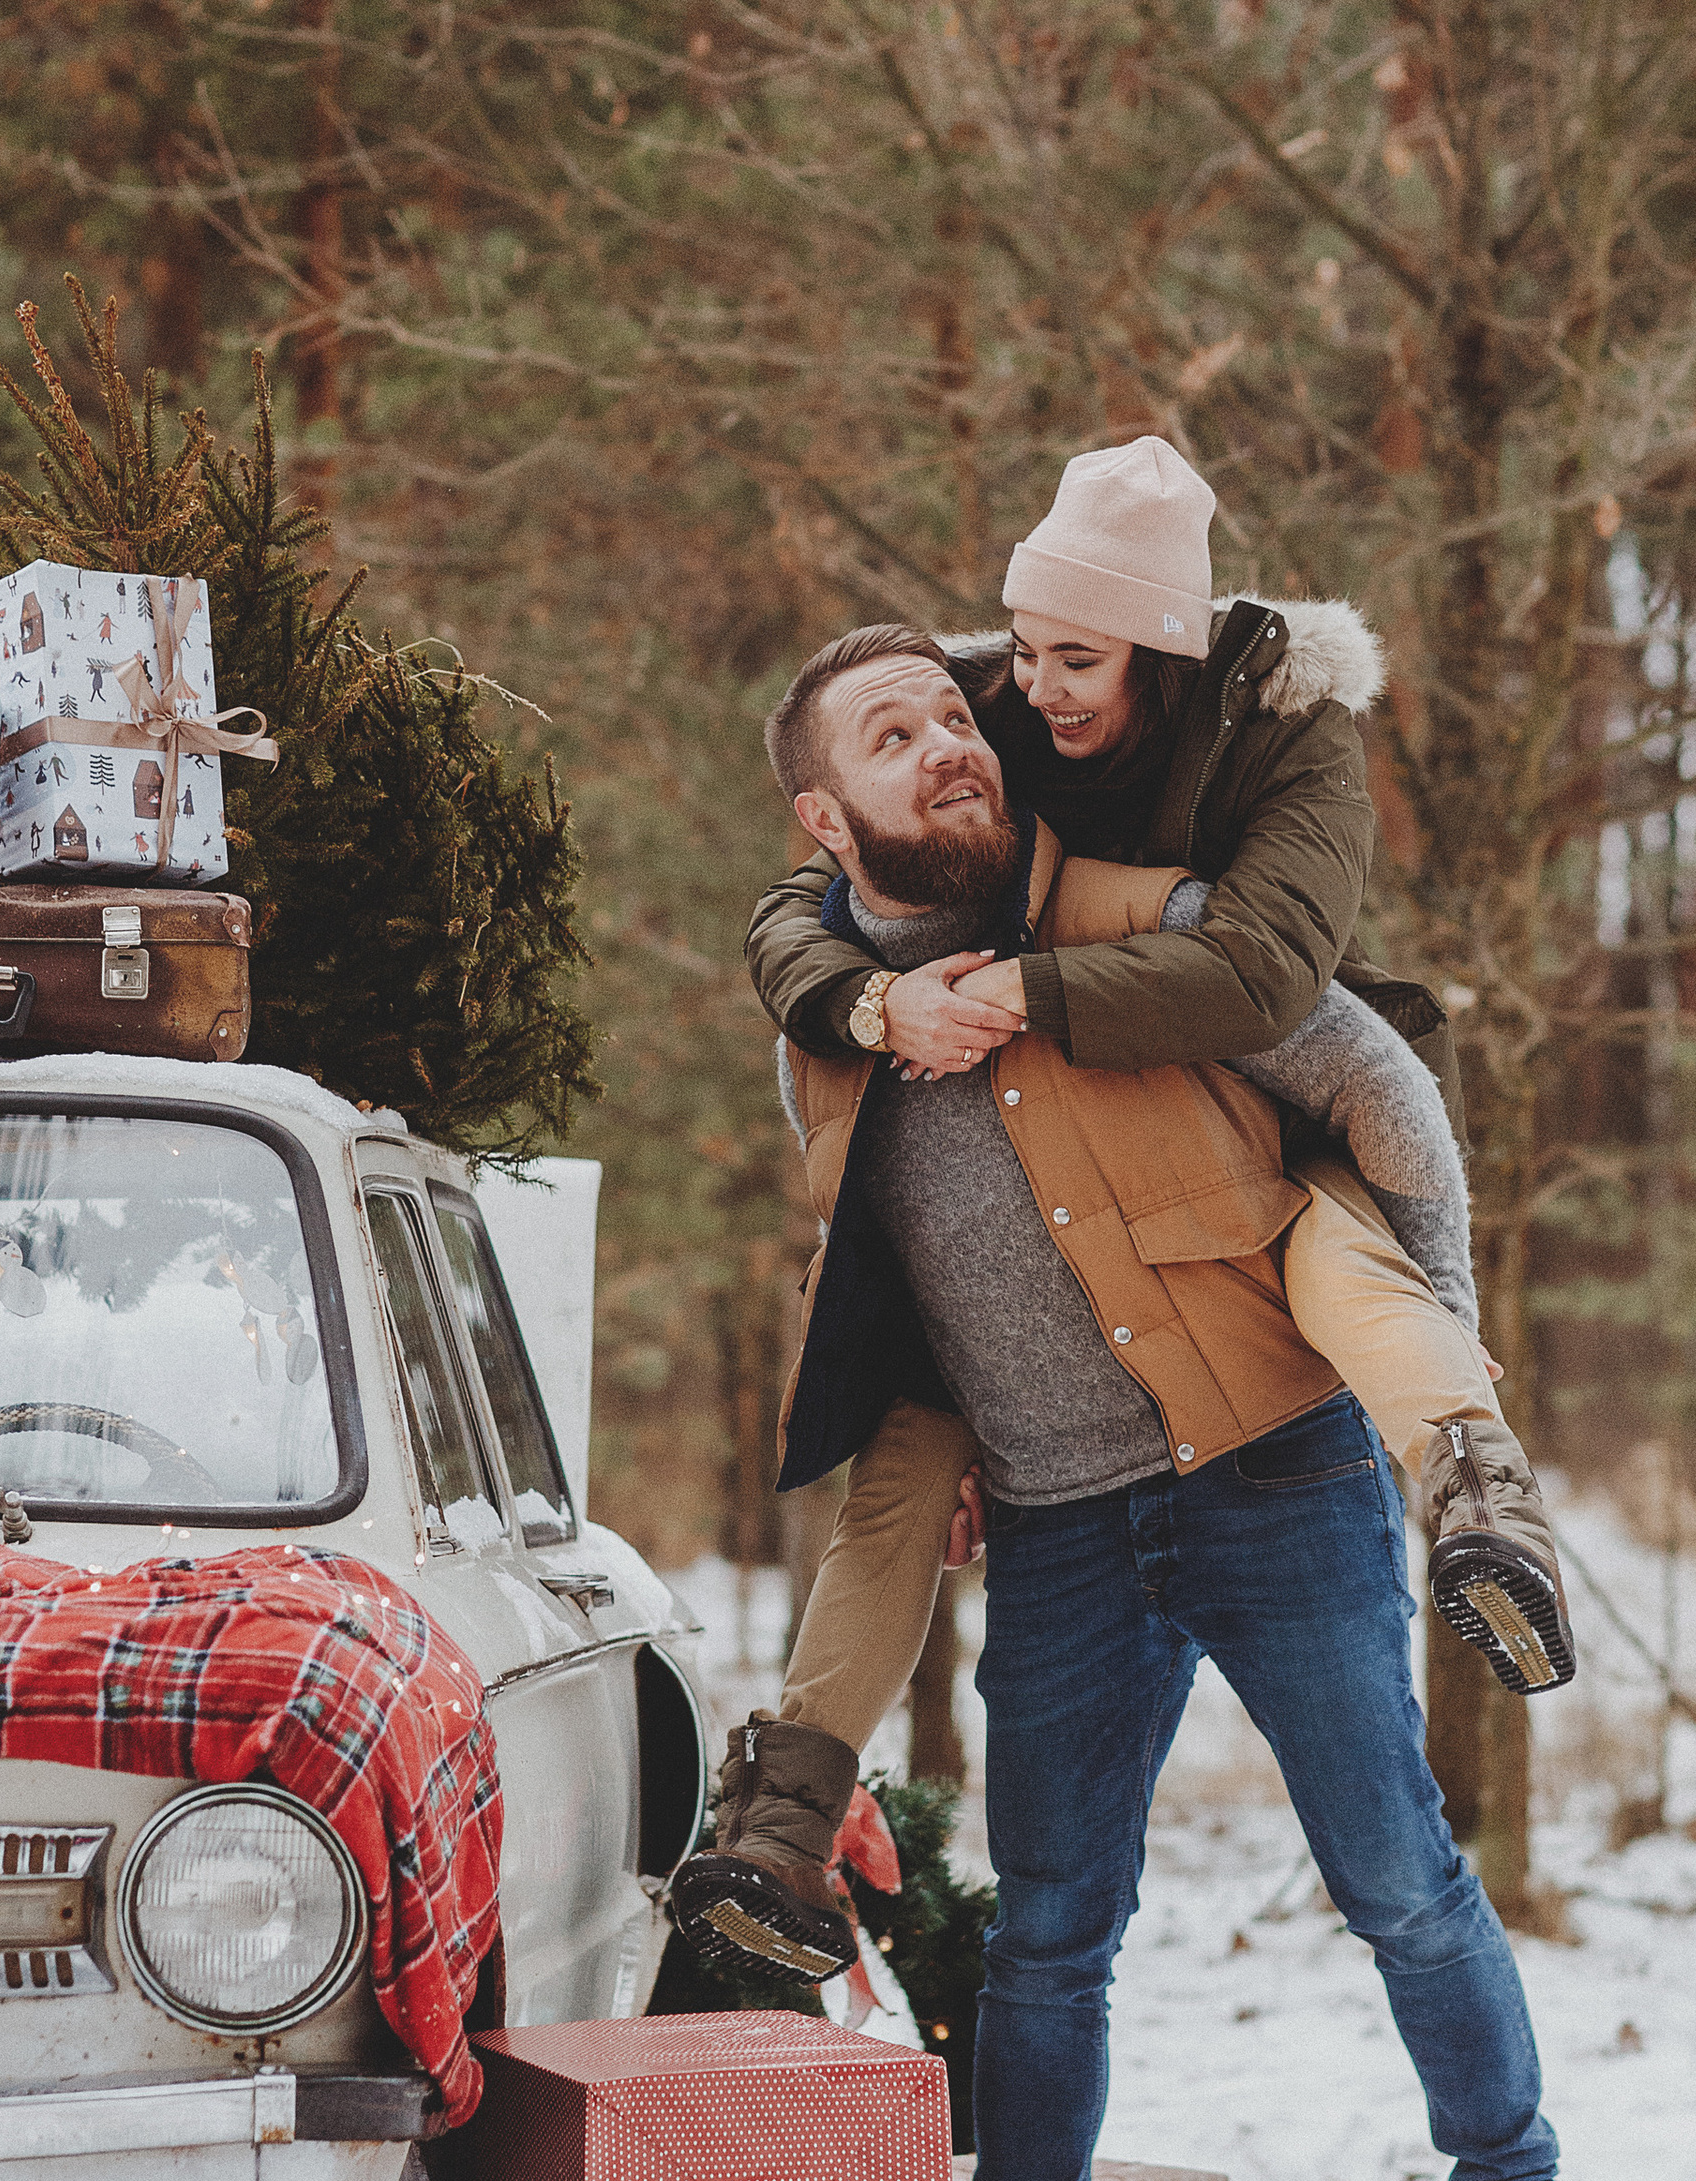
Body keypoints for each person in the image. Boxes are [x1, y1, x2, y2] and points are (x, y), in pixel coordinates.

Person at [697, 614, 1584, 2181]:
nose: (950, 739)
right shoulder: (831, 1033)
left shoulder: (1136, 914)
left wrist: (1436, 1329)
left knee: (1400, 1885)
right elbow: (875, 1266)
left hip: (1282, 1467)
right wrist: (929, 1437)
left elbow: (1379, 1084)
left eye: (957, 713)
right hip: (1060, 1527)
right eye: (894, 732)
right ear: (820, 815)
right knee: (1049, 1940)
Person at [673, 438, 1573, 1994]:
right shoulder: (988, 697)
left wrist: (1020, 985)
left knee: (1340, 1258)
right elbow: (809, 875)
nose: (1018, 703)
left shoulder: (1286, 737)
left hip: (1242, 1112)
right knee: (889, 1491)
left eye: (1062, 669)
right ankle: (779, 1822)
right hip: (1028, 1326)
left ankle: (1478, 1494)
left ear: (1159, 644)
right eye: (1006, 668)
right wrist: (863, 1001)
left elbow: (1274, 981)